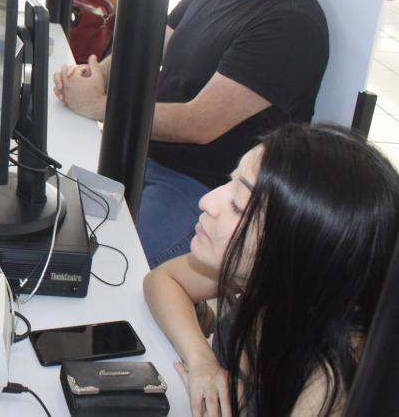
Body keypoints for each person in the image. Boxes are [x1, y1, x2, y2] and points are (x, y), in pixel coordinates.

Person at [54, 0, 329, 268]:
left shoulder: (291, 24)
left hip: (205, 189)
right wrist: (99, 73)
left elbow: (199, 124)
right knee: (49, 221)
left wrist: (98, 105)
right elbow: (150, 44)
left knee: (99, 264)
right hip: (144, 157)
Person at [144, 124, 399, 417]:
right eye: (231, 181)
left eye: (239, 207)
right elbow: (163, 279)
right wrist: (201, 358)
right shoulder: (273, 280)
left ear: (297, 250)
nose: (208, 202)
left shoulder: (332, 382)